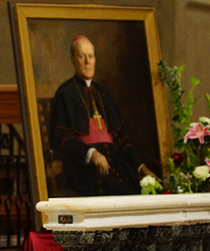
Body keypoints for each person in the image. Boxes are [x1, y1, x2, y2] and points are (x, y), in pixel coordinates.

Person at [49, 35, 155, 196]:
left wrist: (141, 167)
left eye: (90, 56)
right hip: (83, 168)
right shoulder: (65, 93)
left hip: (116, 164)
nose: (87, 61)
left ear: (95, 59)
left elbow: (121, 138)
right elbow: (60, 136)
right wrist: (90, 153)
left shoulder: (103, 93)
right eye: (82, 56)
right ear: (72, 60)